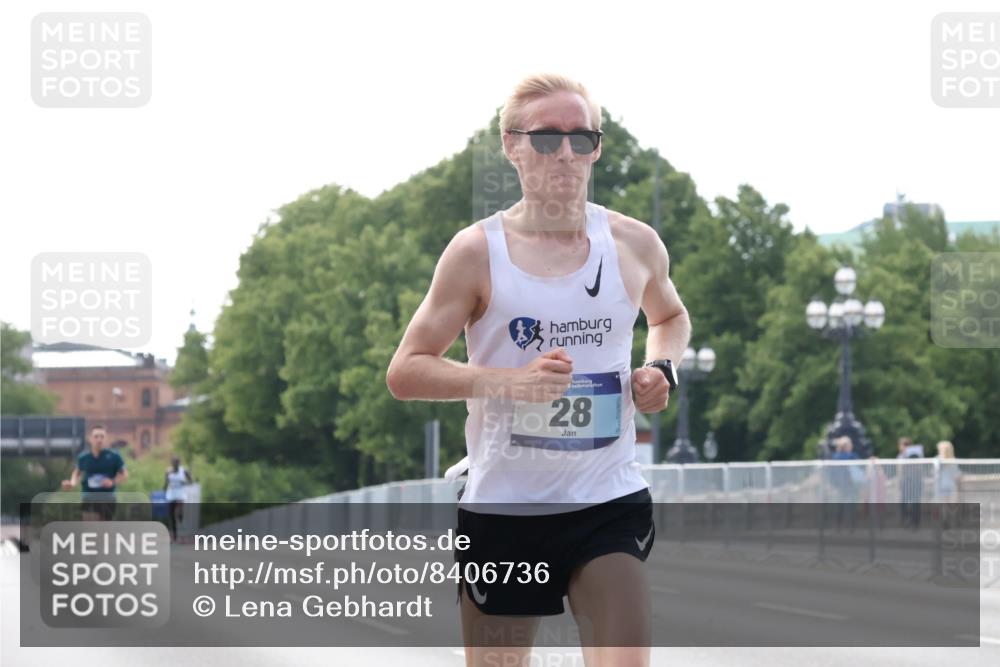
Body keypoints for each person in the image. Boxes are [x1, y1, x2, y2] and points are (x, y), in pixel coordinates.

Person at [387, 73, 690, 667]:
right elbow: (406, 371)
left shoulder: (634, 243)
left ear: (597, 148)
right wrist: (509, 382)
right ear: (512, 145)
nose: (566, 153)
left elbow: (671, 316)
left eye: (582, 138)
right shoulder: (476, 252)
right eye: (547, 138)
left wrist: (661, 366)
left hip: (607, 498)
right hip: (506, 507)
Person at [61, 424, 128, 521]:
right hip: (89, 496)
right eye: (96, 436)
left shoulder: (114, 456)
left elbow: (124, 474)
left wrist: (112, 482)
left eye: (102, 436)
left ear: (106, 438)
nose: (99, 439)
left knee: (104, 528)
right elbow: (77, 473)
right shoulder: (83, 457)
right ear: (90, 439)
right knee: (90, 527)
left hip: (107, 498)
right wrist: (72, 483)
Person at [164, 456, 193, 542]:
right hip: (171, 494)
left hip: (180, 493)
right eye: (174, 463)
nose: (175, 464)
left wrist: (184, 482)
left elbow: (191, 481)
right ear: (172, 463)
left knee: (178, 513)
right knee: (171, 515)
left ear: (179, 463)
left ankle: (181, 523)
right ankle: (174, 535)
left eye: (177, 463)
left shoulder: (183, 471)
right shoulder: (168, 471)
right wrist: (164, 490)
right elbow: (166, 483)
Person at [935, 440, 962, 529]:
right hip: (947, 485)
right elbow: (957, 474)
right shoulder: (940, 460)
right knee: (949, 506)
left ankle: (948, 522)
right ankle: (948, 522)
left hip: (945, 485)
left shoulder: (948, 460)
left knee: (947, 506)